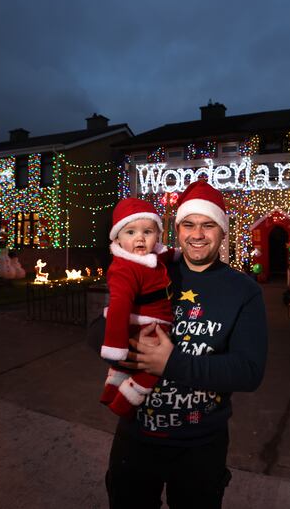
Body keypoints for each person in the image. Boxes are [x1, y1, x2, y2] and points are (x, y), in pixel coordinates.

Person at [106, 180, 268, 508]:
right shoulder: (151, 267)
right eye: (189, 225)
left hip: (200, 445)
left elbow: (249, 372)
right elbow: (97, 329)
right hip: (137, 437)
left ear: (222, 231)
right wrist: (128, 341)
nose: (197, 234)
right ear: (177, 229)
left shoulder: (244, 291)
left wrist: (171, 363)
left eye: (208, 225)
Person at [101, 198, 175, 417]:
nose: (140, 238)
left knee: (125, 368)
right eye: (130, 232)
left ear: (157, 235)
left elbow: (162, 256)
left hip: (153, 320)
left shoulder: (150, 258)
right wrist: (115, 346)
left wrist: (176, 255)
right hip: (149, 324)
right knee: (150, 372)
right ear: (118, 237)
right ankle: (123, 404)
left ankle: (110, 389)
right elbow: (119, 307)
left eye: (148, 232)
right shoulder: (125, 269)